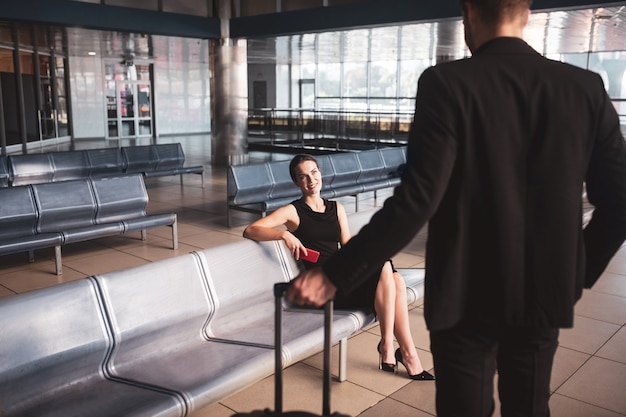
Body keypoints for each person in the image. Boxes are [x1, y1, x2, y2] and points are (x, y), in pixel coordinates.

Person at [284, 1, 626, 416]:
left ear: (468, 15)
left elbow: (417, 200)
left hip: (465, 288)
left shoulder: (446, 83)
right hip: (541, 288)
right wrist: (576, 270)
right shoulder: (583, 87)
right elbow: (620, 200)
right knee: (530, 404)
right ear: (526, 13)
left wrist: (336, 275)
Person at [243, 154, 434, 380]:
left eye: (314, 173)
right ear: (296, 182)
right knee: (389, 274)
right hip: (324, 284)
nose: (310, 180)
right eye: (303, 177)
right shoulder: (293, 211)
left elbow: (347, 246)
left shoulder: (337, 208)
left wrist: (367, 251)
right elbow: (251, 229)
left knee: (395, 278)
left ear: (320, 174)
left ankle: (396, 349)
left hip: (343, 274)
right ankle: (395, 350)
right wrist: (284, 234)